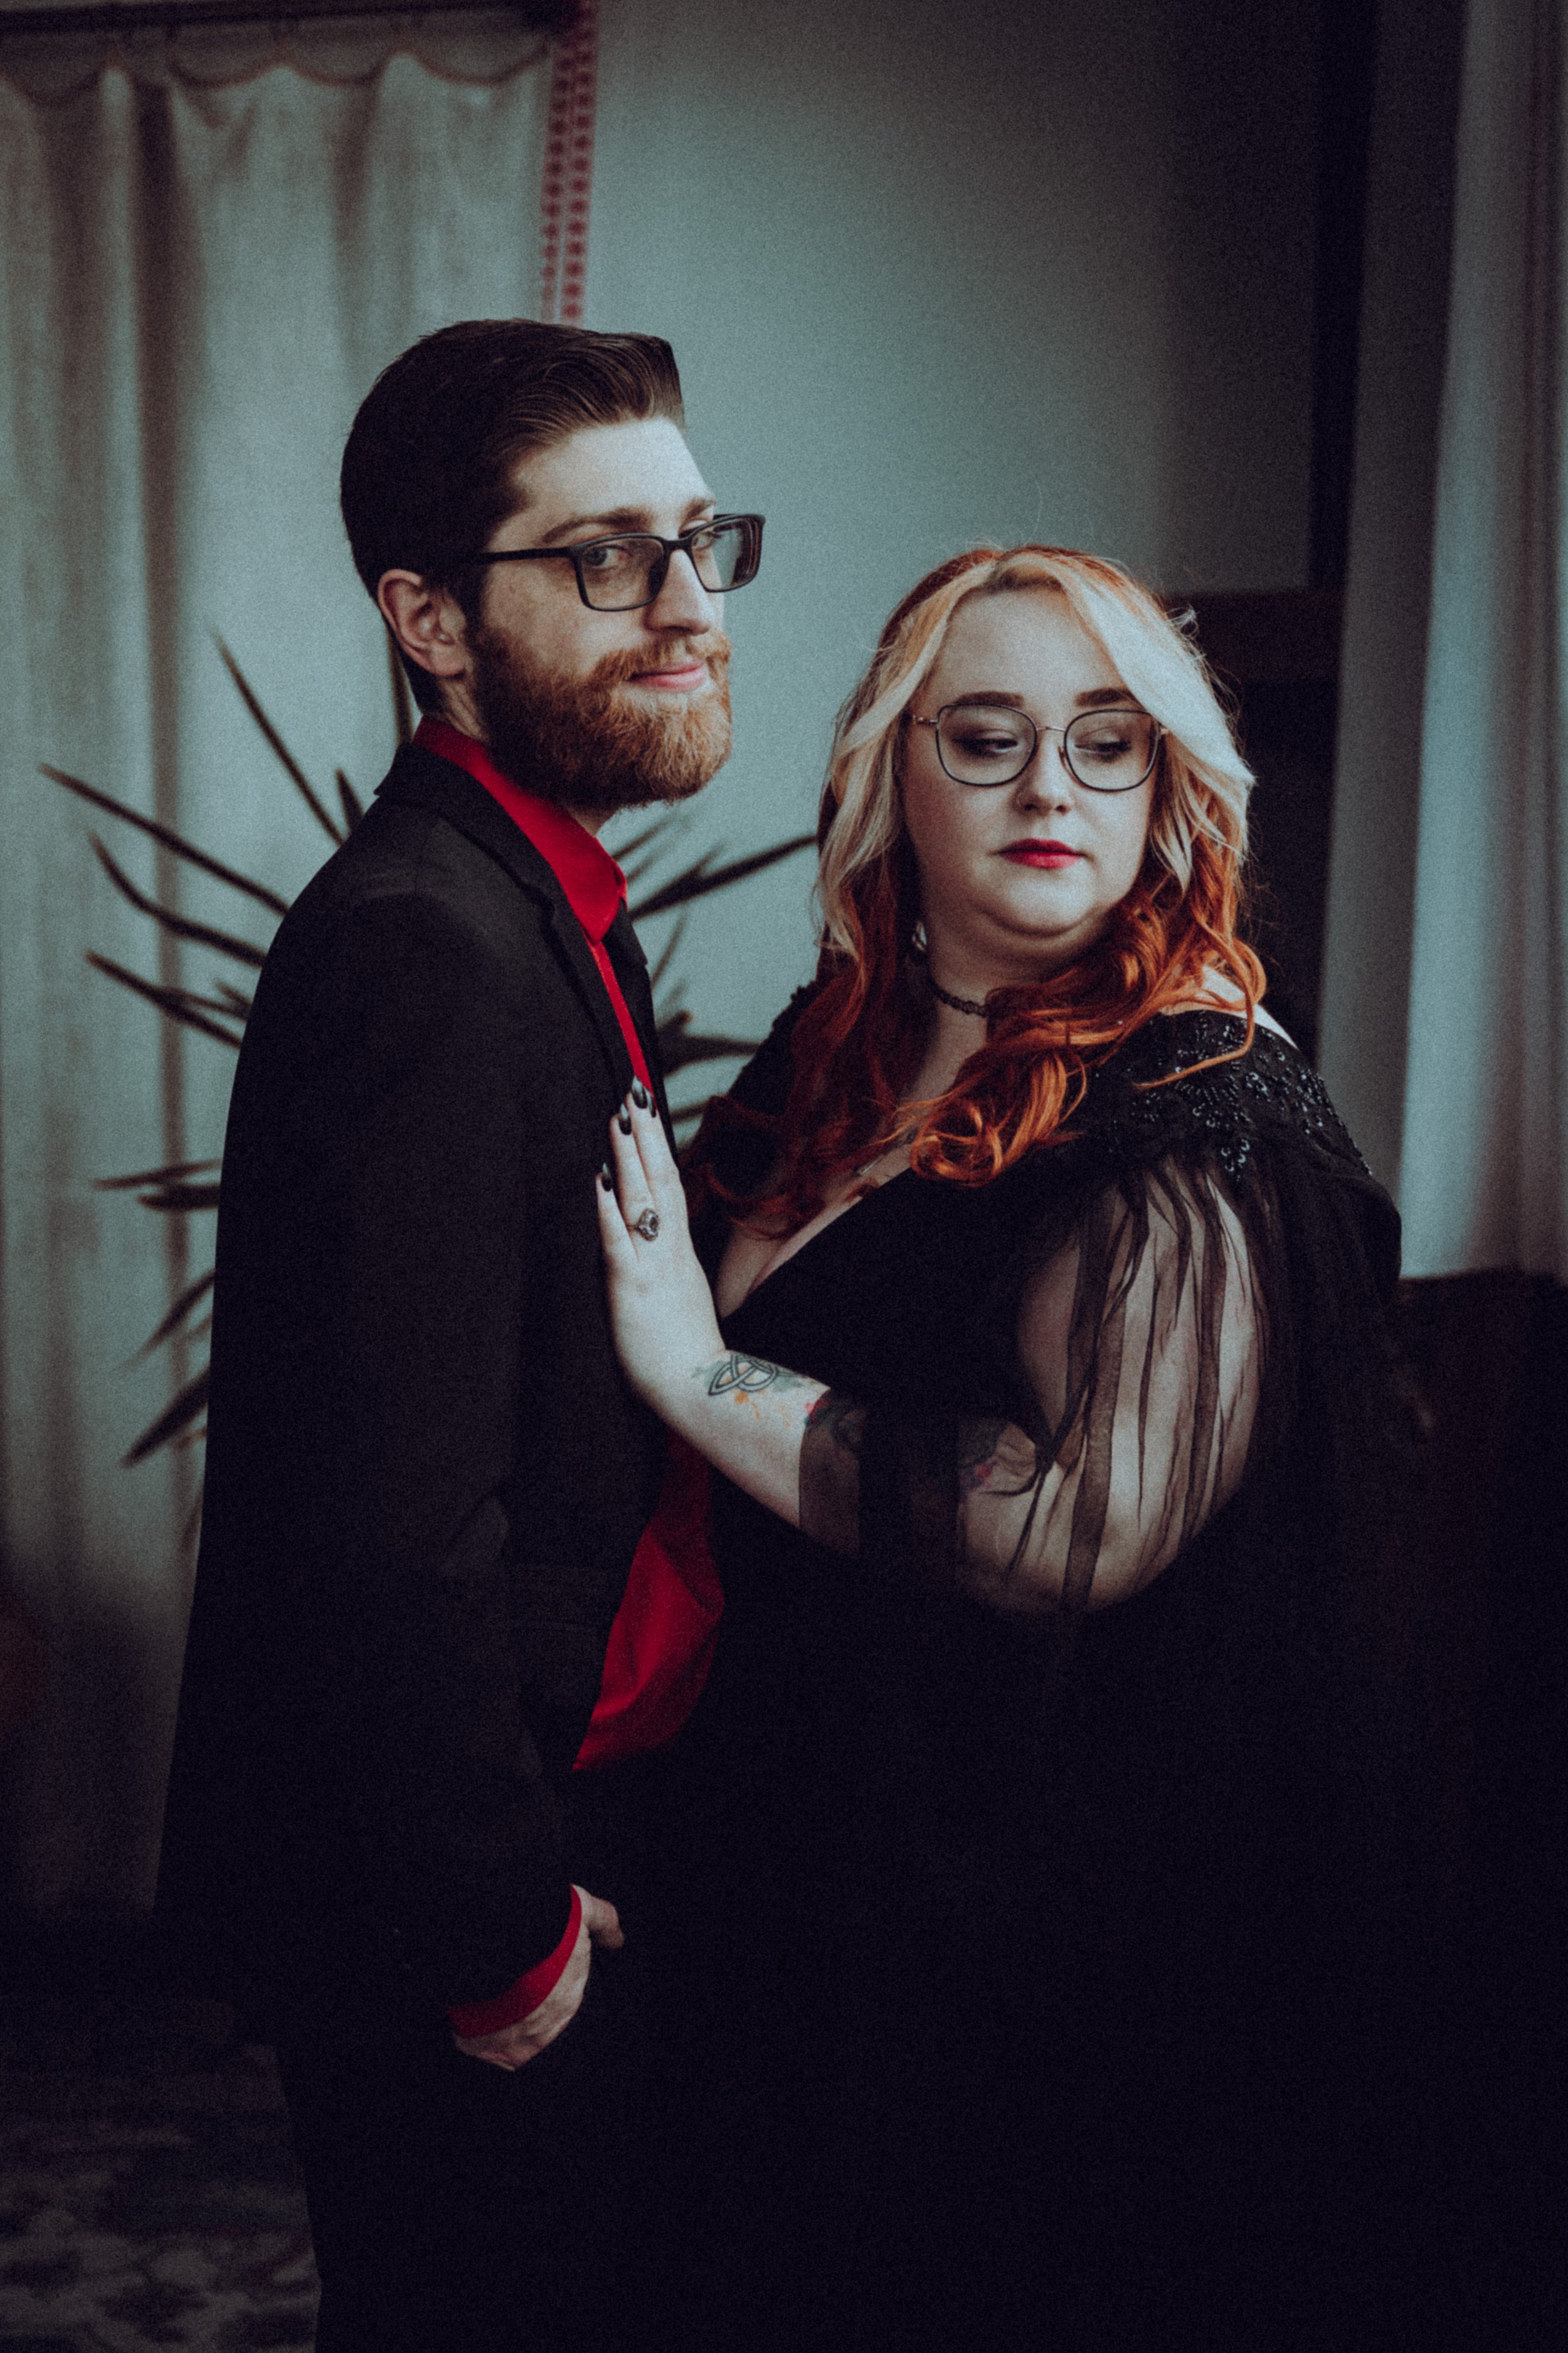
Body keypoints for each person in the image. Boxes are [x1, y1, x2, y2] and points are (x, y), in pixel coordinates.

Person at [596, 546, 1426, 2350]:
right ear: (890, 776)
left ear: (1166, 789)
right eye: (983, 739)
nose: (1050, 787)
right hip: (794, 1865)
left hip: (1028, 1946)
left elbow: (1079, 1523)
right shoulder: (832, 1053)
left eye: (1105, 744)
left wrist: (690, 1368)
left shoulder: (1206, 1108)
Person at [156, 319, 763, 2353]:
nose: (685, 608)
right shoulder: (424, 943)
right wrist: (507, 1945)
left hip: (559, 1828)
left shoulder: (535, 901)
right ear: (427, 617)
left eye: (696, 543)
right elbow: (395, 1520)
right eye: (604, 560)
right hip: (474, 1899)